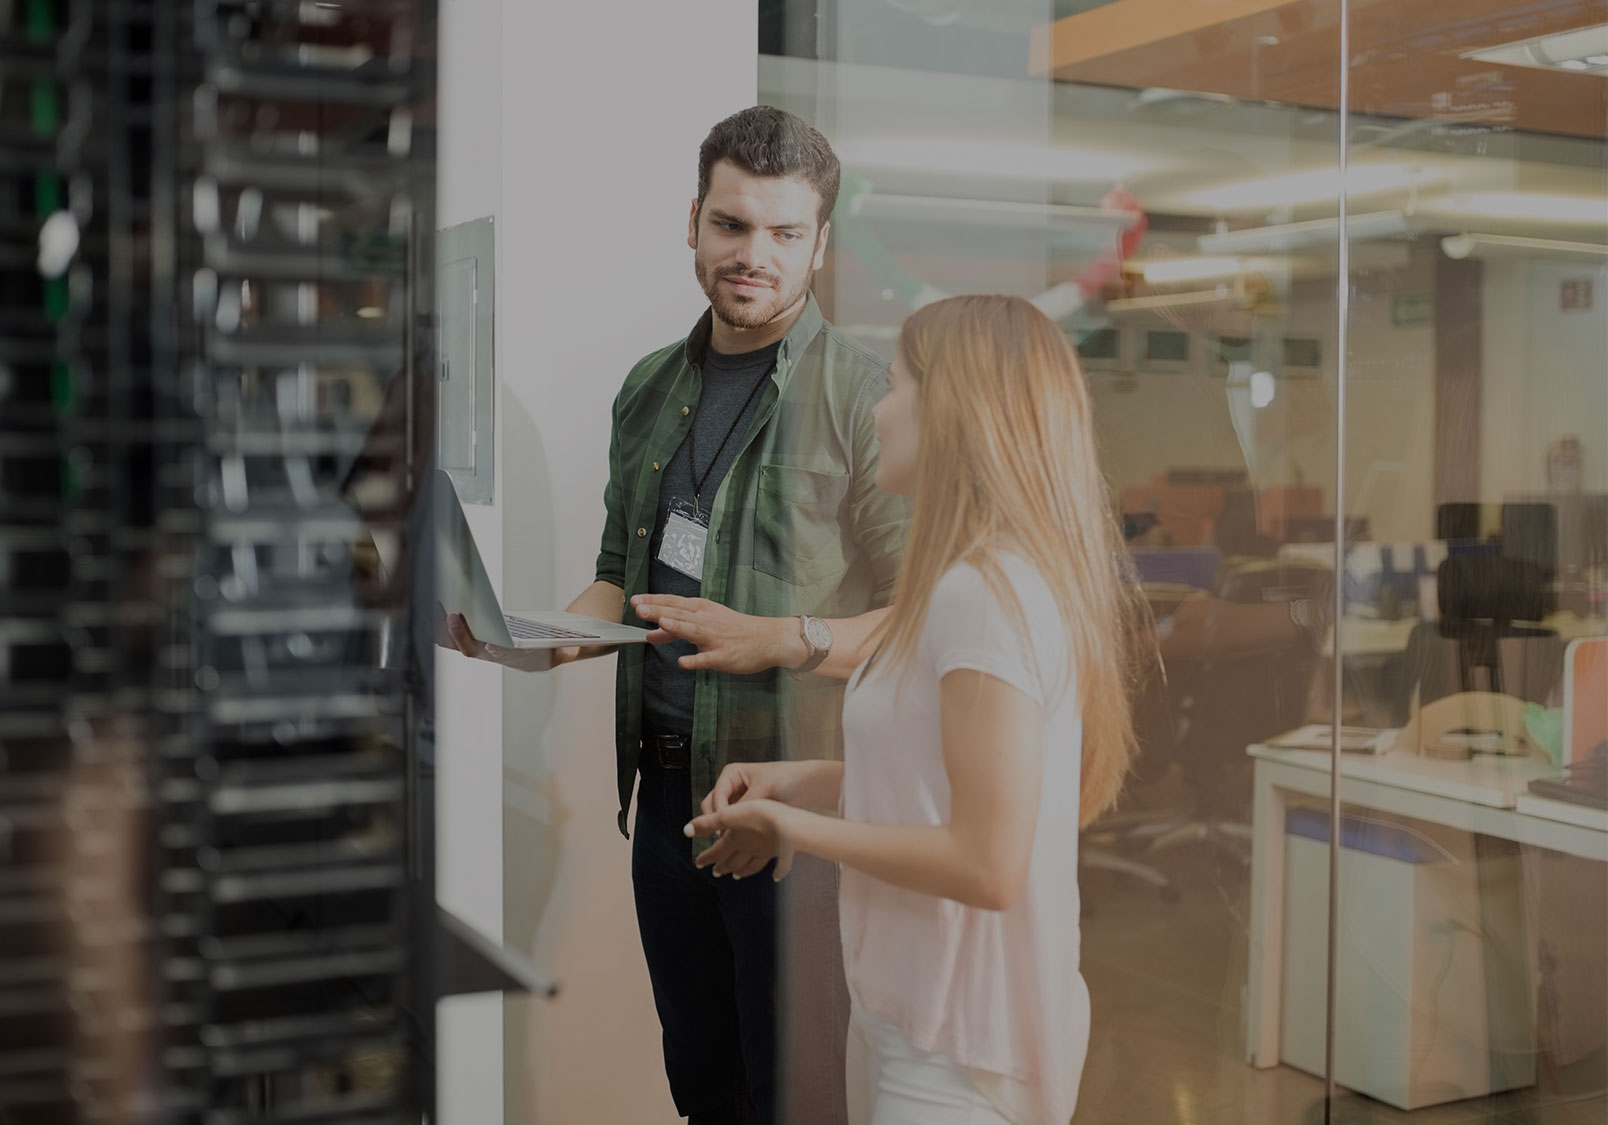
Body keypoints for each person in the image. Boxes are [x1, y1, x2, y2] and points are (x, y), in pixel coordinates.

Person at [446, 106, 909, 1125]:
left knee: (797, 1099)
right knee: (703, 1089)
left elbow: (919, 623)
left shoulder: (869, 398)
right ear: (694, 220)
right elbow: (620, 574)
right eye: (734, 226)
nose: (755, 256)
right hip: (667, 802)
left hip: (796, 816)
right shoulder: (649, 389)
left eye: (787, 234)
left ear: (822, 245)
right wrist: (534, 638)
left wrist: (781, 639)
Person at [678, 295, 1148, 1125]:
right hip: (910, 1017)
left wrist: (792, 831)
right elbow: (939, 779)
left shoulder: (984, 595)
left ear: (953, 412)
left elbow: (986, 863)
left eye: (894, 388)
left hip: (961, 1049)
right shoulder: (962, 584)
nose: (879, 410)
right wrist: (806, 781)